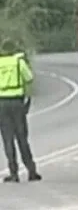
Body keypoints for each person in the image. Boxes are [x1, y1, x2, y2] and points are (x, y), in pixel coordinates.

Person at [0, 40, 39, 183]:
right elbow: (29, 78)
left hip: (2, 103)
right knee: (22, 137)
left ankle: (13, 173)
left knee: (7, 139)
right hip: (17, 102)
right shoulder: (18, 63)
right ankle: (31, 170)